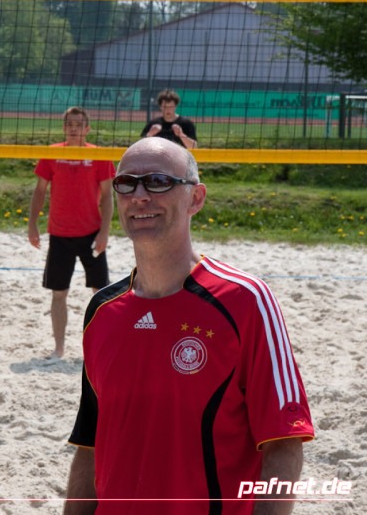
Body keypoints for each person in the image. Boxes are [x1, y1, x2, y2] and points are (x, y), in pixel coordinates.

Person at [64, 137, 314, 515]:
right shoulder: (102, 311)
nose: (139, 195)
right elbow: (90, 445)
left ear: (196, 199)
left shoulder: (245, 300)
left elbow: (283, 442)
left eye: (158, 182)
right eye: (126, 183)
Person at [28, 106, 115, 360]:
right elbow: (40, 191)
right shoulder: (52, 153)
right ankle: (59, 349)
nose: (74, 128)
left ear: (87, 129)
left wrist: (104, 232)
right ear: (64, 128)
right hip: (60, 234)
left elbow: (108, 196)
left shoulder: (99, 155)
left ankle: (104, 348)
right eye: (69, 124)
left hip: (91, 234)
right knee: (58, 293)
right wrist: (32, 224)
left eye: (78, 124)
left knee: (102, 294)